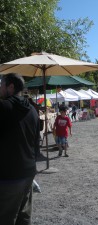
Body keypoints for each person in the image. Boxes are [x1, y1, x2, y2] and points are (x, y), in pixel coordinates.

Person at [0, 73, 40, 224]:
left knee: (5, 218)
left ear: (10, 87)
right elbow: (37, 143)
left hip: (8, 176)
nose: (0, 88)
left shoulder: (3, 108)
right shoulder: (32, 110)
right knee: (23, 217)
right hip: (28, 172)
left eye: (1, 85)